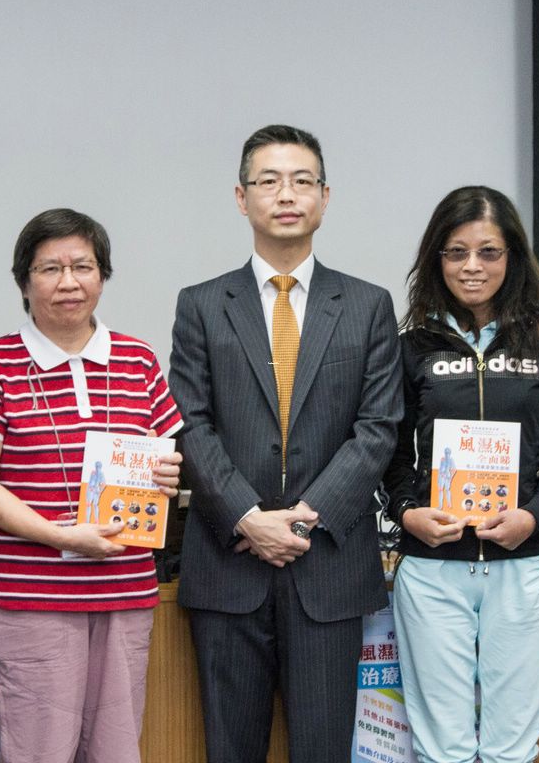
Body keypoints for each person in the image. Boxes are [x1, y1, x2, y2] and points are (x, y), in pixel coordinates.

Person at [169, 124, 403, 763]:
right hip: (228, 565)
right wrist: (247, 516)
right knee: (230, 750)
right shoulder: (201, 305)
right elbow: (190, 422)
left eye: (302, 181)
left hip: (327, 563)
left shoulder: (367, 305)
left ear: (325, 197)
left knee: (325, 750)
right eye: (268, 181)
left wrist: (302, 519)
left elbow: (378, 427)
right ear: (241, 198)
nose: (286, 194)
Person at [0, 208, 183, 763]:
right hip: (33, 597)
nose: (68, 282)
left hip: (124, 591)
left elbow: (169, 460)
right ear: (24, 281)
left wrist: (170, 476)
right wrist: (61, 536)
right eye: (50, 268)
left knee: (117, 751)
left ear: (102, 275)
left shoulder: (138, 360)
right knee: (41, 751)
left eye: (83, 266)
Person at [384, 186, 539, 763]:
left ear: (512, 257)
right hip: (432, 565)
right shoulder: (409, 344)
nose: (472, 266)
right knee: (440, 745)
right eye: (456, 252)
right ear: (436, 259)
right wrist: (407, 515)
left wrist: (533, 517)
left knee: (511, 747)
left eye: (489, 252)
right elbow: (387, 451)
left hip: (522, 565)